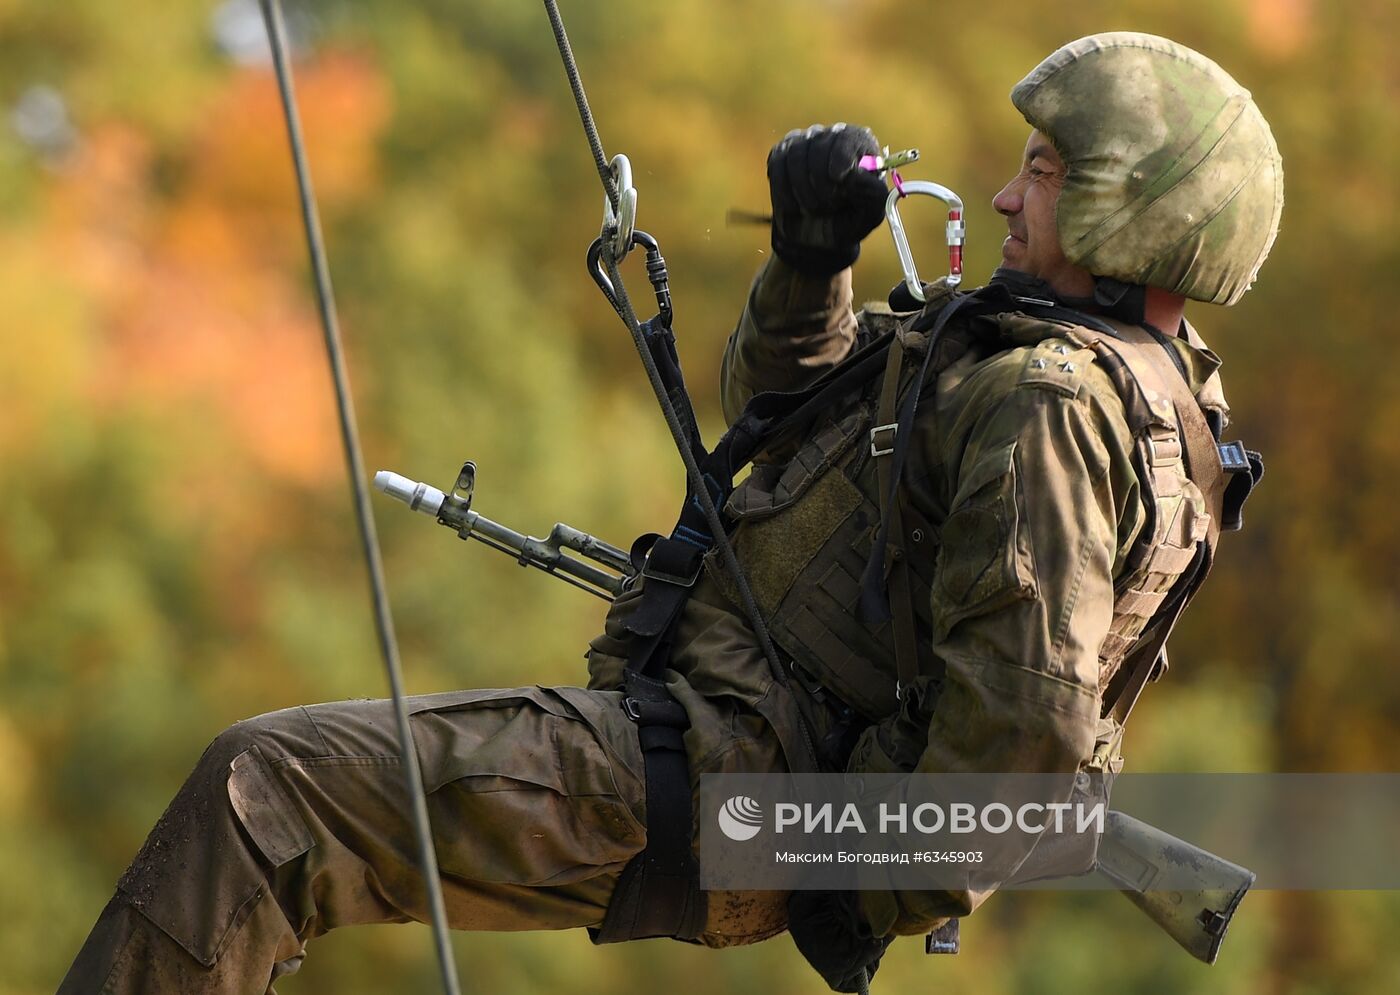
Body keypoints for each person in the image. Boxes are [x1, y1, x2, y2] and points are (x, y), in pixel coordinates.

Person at [59, 31, 1281, 995]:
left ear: (1134, 212)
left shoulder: (1052, 404)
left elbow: (1011, 758)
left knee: (265, 790)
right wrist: (810, 259)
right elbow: (779, 412)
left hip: (727, 785)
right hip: (707, 748)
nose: (1010, 196)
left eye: (1048, 173)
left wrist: (831, 866)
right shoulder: (1100, 373)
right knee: (284, 791)